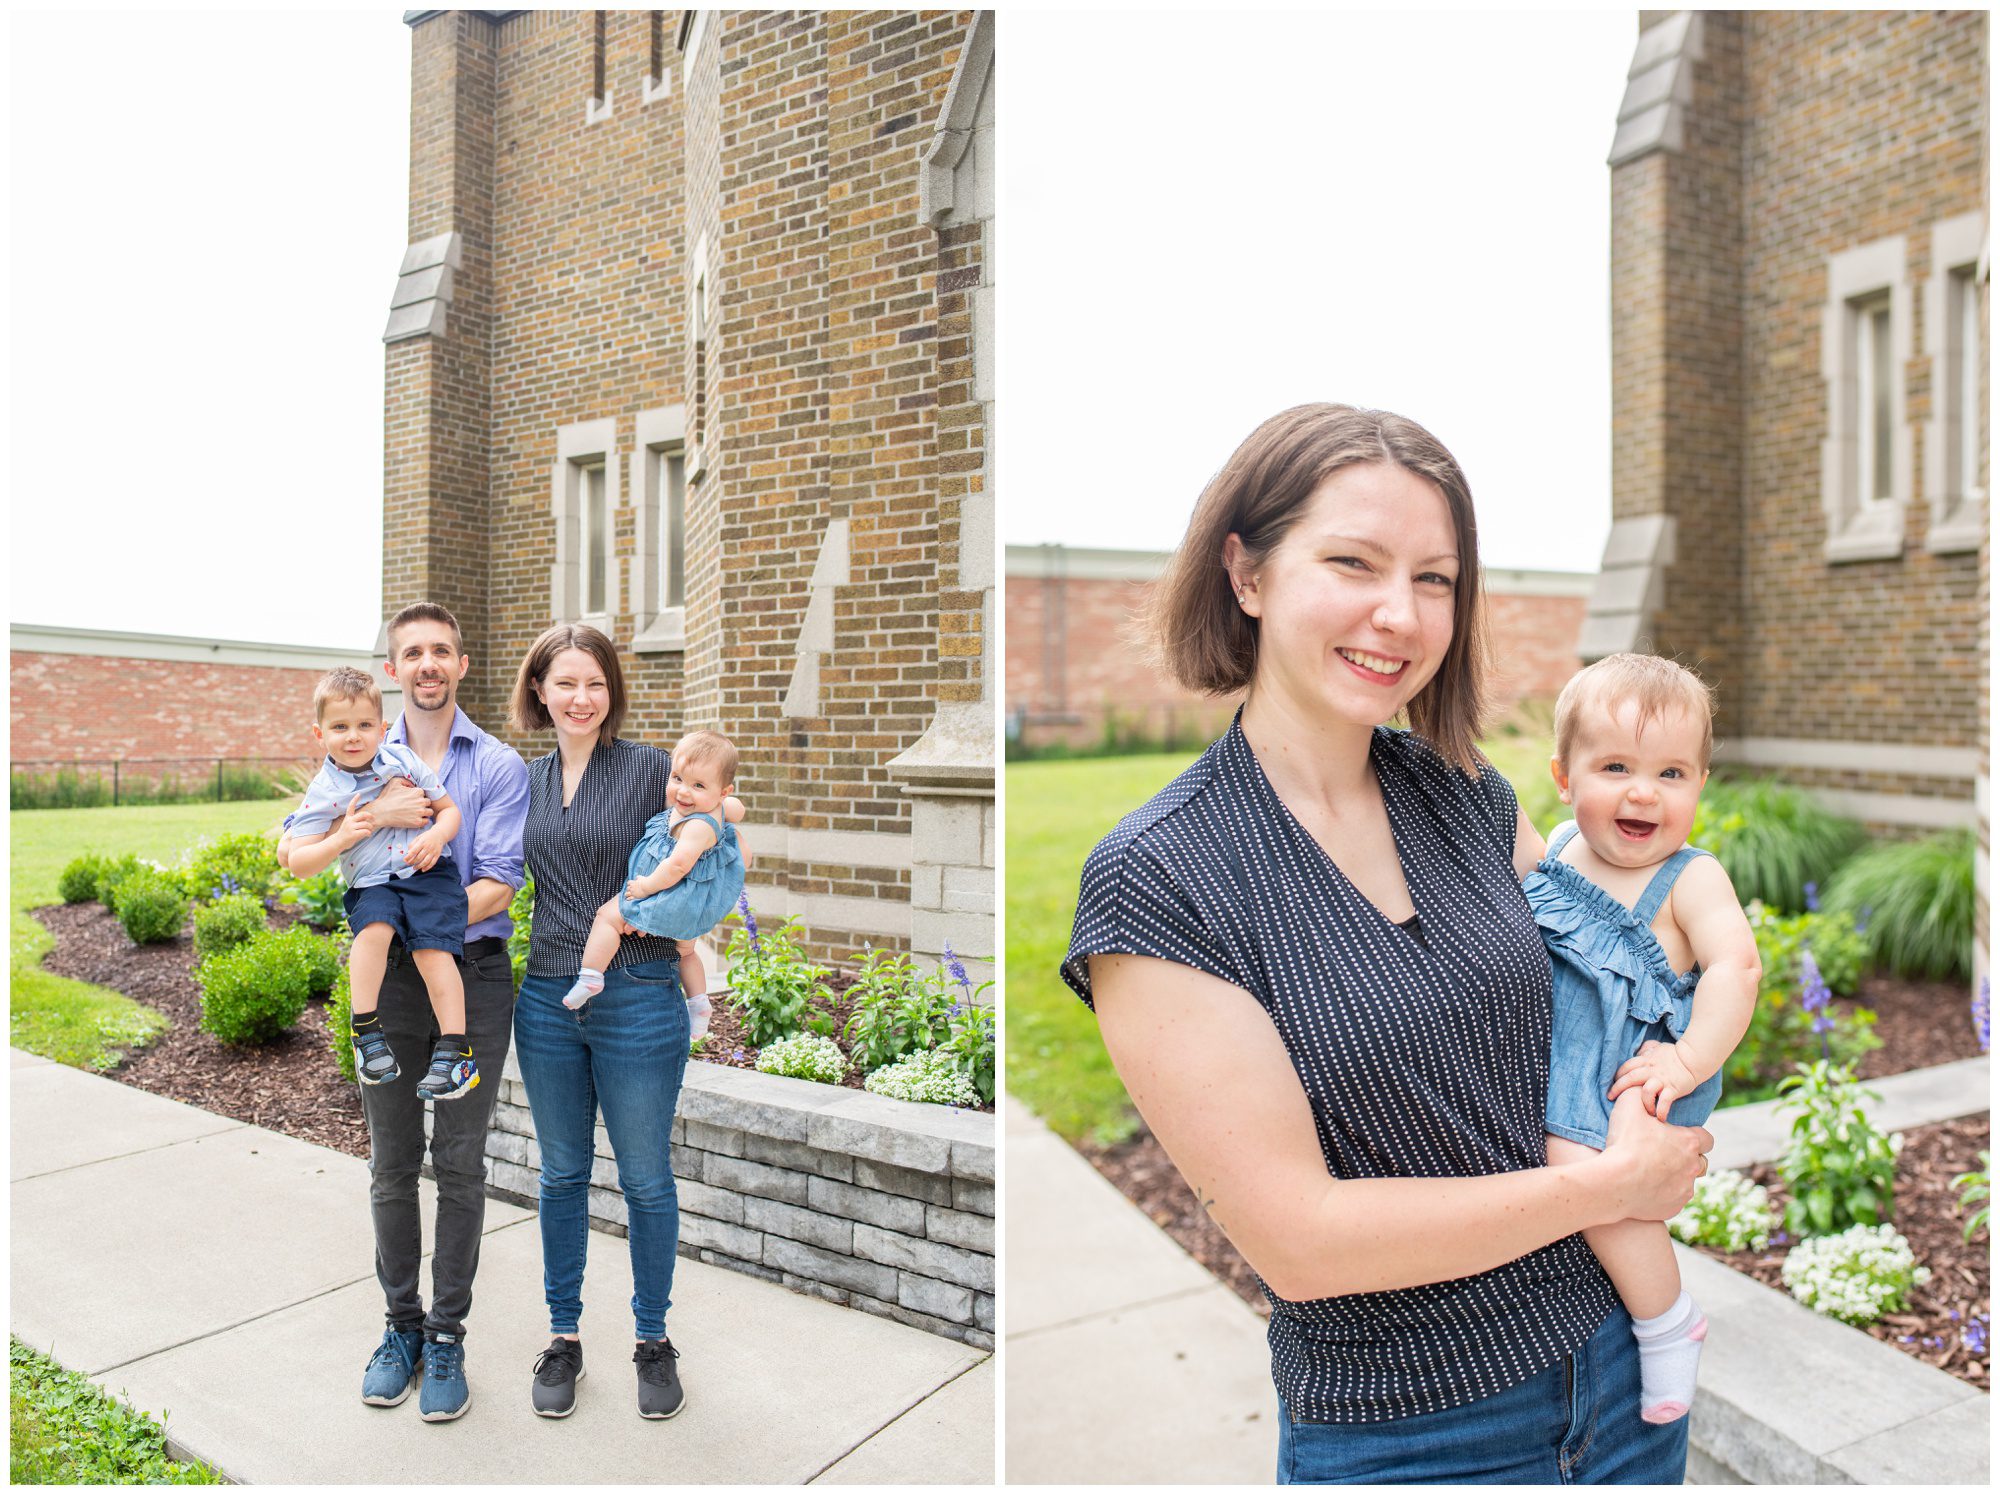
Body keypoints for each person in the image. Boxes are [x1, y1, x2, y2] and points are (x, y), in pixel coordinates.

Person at [1063, 404, 1716, 1484]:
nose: (1396, 614)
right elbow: (1302, 1239)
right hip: (1412, 1431)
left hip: (1617, 1378)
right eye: (1352, 562)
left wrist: (1680, 1018)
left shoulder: (1466, 796)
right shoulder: (1163, 878)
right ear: (1247, 572)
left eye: (1433, 578)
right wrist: (1606, 1187)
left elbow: (1605, 987)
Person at [277, 602, 528, 1424]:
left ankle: (448, 1335)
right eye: (412, 650)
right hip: (391, 985)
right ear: (394, 668)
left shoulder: (495, 764)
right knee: (391, 1163)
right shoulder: (357, 760)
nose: (428, 661)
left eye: (441, 650)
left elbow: (495, 878)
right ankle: (401, 1328)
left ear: (461, 663)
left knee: (458, 1163)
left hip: (471, 977)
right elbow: (298, 850)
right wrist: (368, 822)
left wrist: (417, 874)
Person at [1528, 653, 1760, 1424]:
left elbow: (1737, 964)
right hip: (1562, 1055)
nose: (1642, 791)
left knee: (1591, 1174)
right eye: (1616, 765)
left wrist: (1690, 1056)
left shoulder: (1692, 878)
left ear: (1699, 784)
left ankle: (1667, 1320)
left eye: (1671, 773)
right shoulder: (1559, 849)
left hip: (1634, 1071)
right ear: (1565, 777)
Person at [509, 622, 700, 1421]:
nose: (581, 697)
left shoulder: (655, 770)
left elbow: (717, 828)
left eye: (595, 682)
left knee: (646, 1177)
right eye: (565, 683)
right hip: (547, 1000)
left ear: (612, 691)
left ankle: (653, 1340)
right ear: (540, 692)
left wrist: (671, 913)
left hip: (639, 996)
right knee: (559, 1176)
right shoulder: (523, 779)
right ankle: (565, 1335)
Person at [286, 666, 478, 1102]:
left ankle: (456, 1051)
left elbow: (448, 812)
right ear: (319, 734)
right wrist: (342, 837)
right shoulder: (323, 792)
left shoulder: (403, 760)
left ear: (382, 729)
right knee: (373, 932)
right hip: (373, 882)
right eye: (340, 727)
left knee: (433, 949)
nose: (353, 736)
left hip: (427, 874)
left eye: (364, 725)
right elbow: (297, 861)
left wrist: (435, 835)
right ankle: (366, 1031)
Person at [561, 729, 747, 1044]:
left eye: (698, 785)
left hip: (669, 892)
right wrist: (719, 802)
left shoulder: (698, 826)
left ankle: (591, 976)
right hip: (690, 901)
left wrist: (645, 888)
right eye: (677, 779)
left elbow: (677, 865)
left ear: (723, 791)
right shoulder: (709, 809)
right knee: (686, 952)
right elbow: (735, 809)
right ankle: (699, 1002)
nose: (684, 793)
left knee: (608, 917)